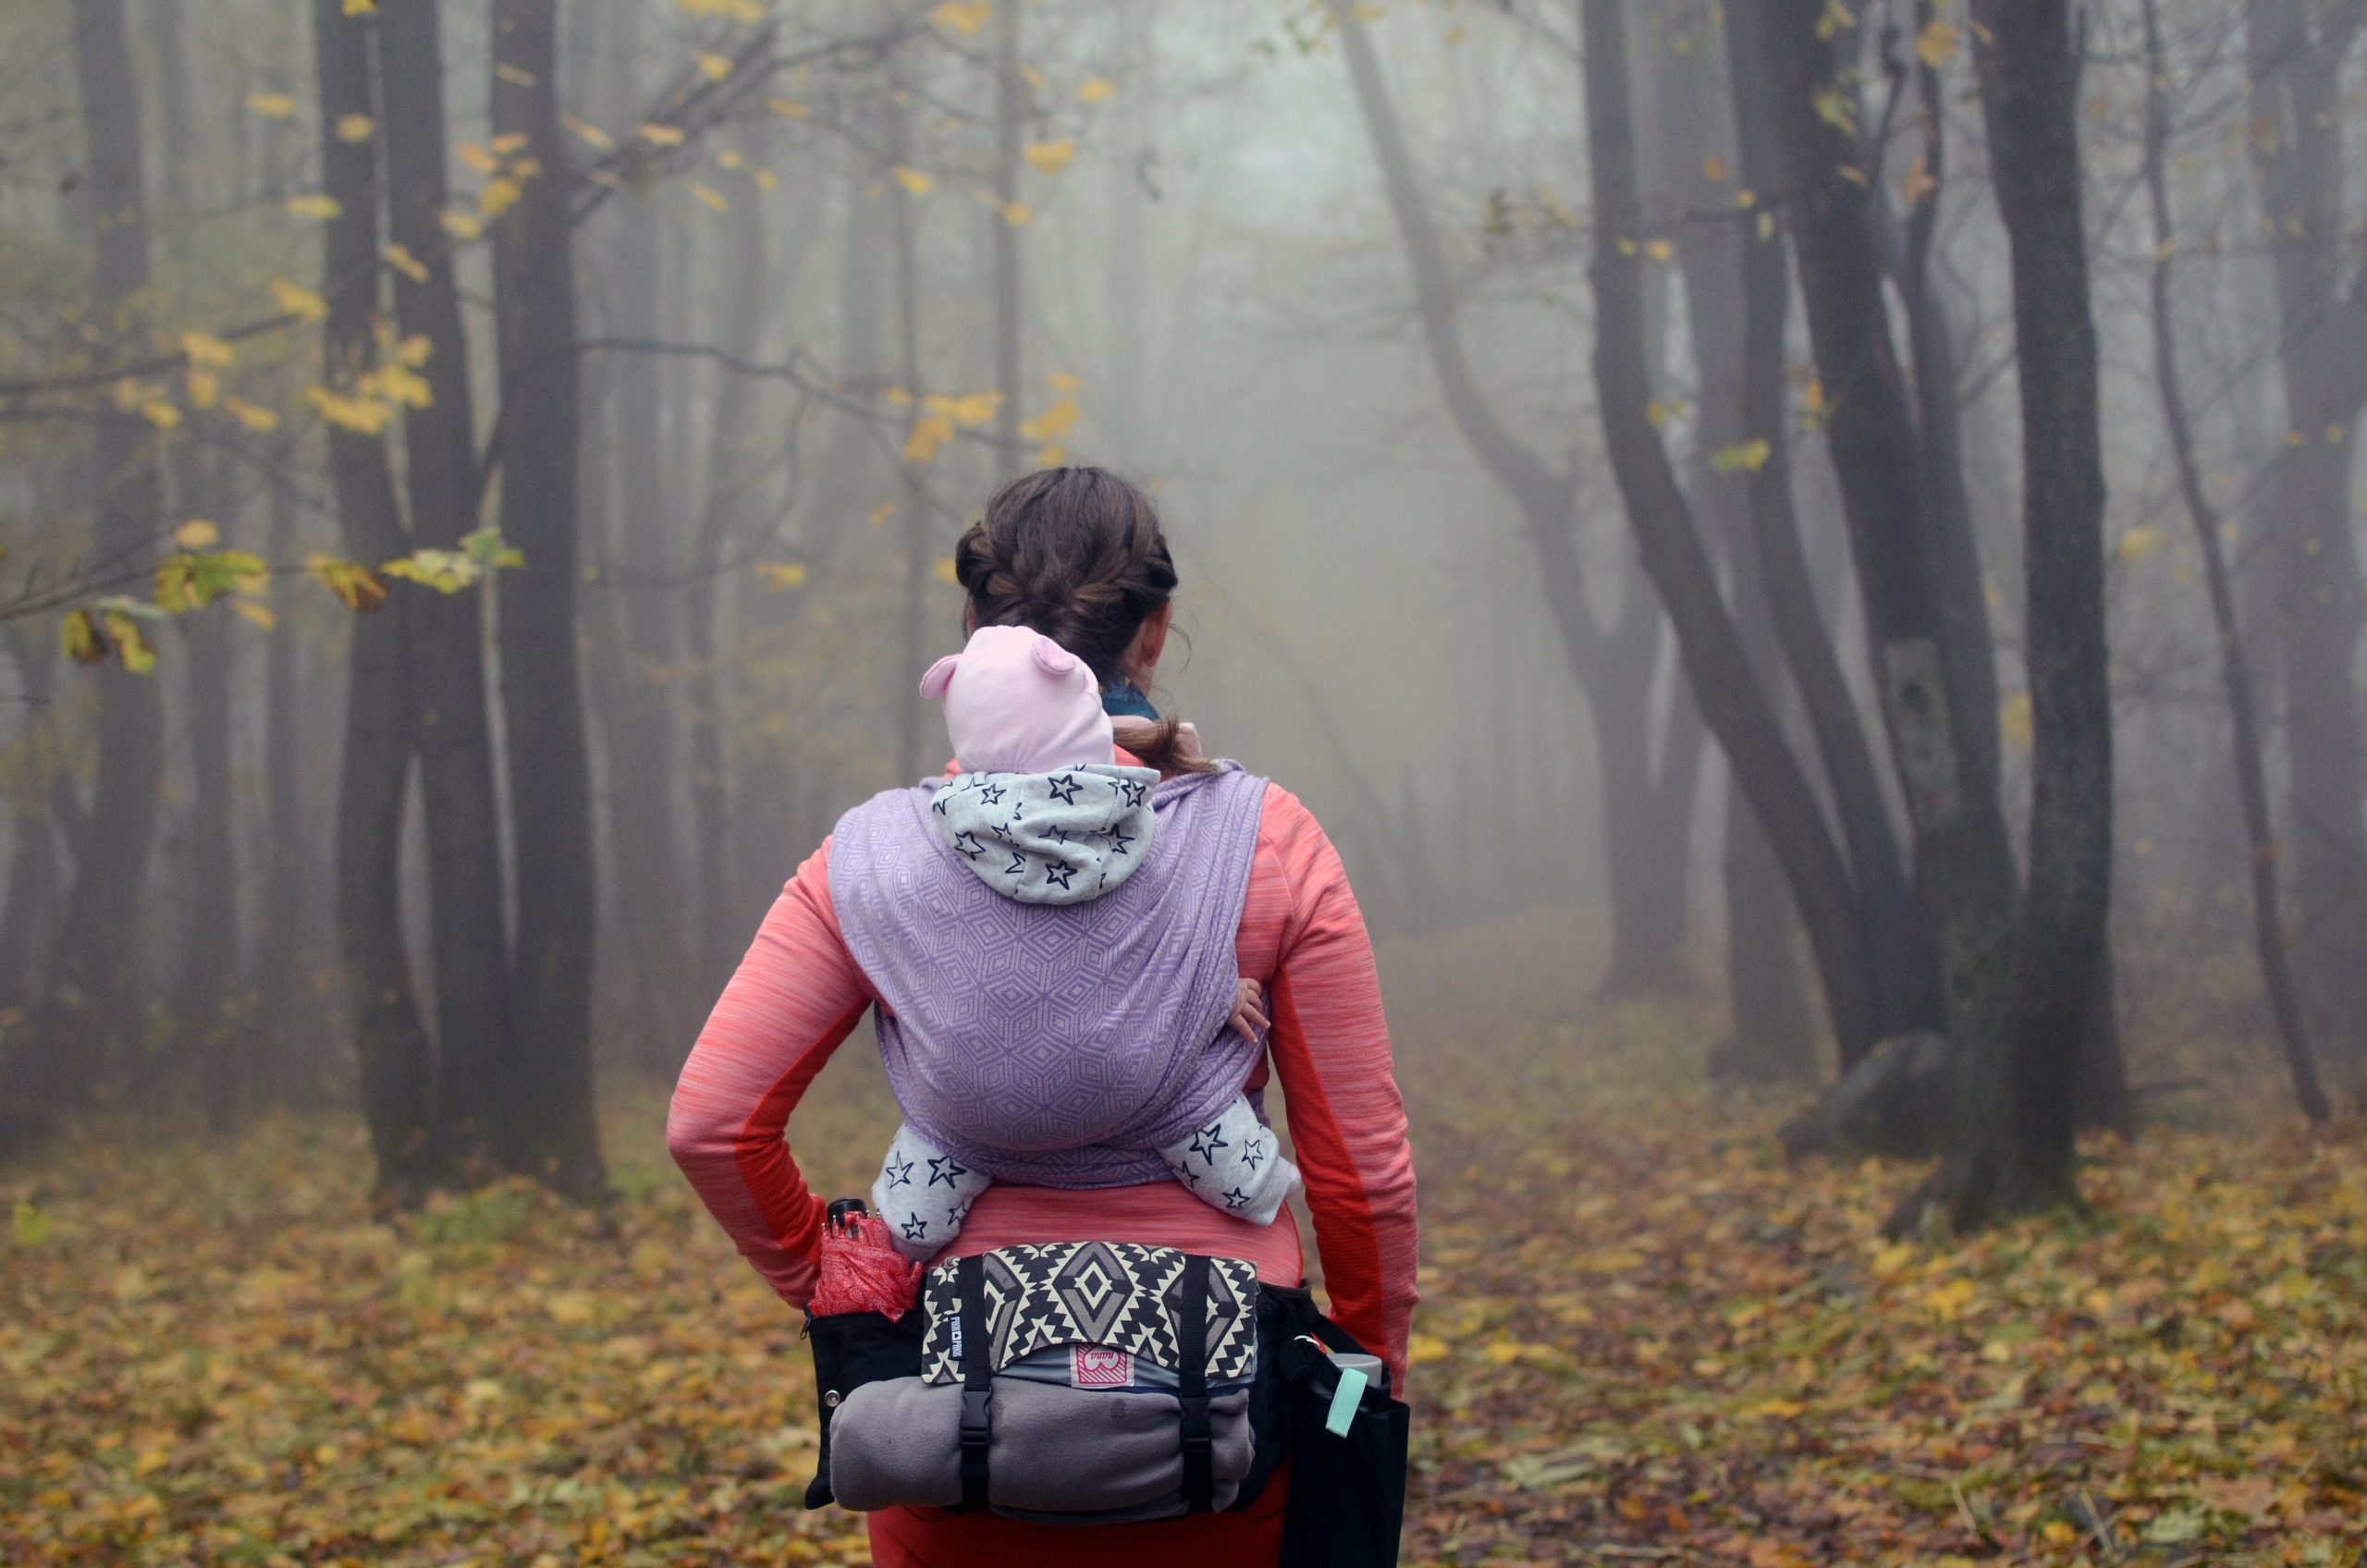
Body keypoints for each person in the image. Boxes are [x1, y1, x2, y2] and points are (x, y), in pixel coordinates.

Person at [668, 465, 1417, 1567]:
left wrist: (843, 1284)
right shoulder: (1271, 841)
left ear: (972, 634)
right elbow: (1362, 1171)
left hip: (957, 1419)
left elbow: (713, 1126)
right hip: (1221, 1420)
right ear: (1154, 631)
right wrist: (1365, 1367)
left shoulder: (870, 861)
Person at [867, 619, 1303, 1259]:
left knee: (910, 1215)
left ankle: (903, 1232)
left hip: (968, 1123)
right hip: (1163, 1112)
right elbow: (1158, 927)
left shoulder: (926, 844)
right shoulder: (1135, 819)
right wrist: (1215, 991)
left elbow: (714, 1125)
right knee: (1237, 1168)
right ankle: (1253, 1185)